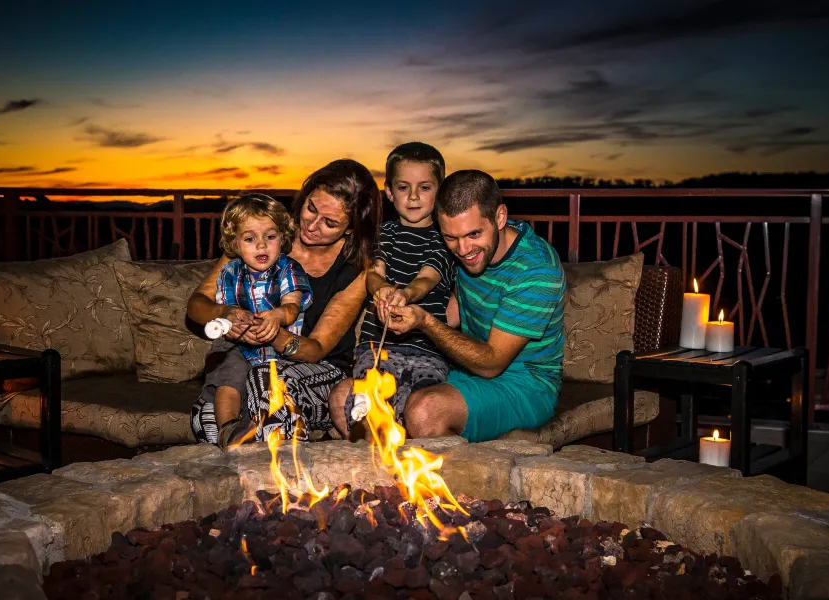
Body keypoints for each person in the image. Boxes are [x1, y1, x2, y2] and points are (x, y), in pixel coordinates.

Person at [188, 159, 381, 446]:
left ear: (351, 229)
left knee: (266, 379)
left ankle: (287, 481)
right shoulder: (263, 232)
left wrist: (274, 334)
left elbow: (315, 350)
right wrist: (226, 314)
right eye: (311, 208)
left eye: (330, 223)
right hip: (246, 360)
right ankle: (254, 466)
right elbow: (197, 305)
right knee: (207, 422)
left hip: (317, 373)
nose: (312, 226)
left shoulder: (355, 268)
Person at [386, 169, 566, 442]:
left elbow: (491, 363)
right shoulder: (468, 248)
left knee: (426, 411)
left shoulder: (537, 269)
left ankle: (452, 484)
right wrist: (403, 315)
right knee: (369, 400)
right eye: (451, 238)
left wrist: (425, 322)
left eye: (473, 234)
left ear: (500, 217)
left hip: (526, 383)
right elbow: (460, 303)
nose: (463, 249)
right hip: (466, 369)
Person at [328, 142, 455, 437]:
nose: (413, 197)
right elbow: (374, 273)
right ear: (389, 192)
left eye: (424, 187)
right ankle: (373, 459)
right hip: (378, 347)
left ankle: (409, 465)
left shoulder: (445, 236)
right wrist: (382, 289)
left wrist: (406, 294)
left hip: (428, 350)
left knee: (419, 406)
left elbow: (428, 278)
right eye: (403, 187)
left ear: (439, 192)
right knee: (359, 399)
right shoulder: (384, 233)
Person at [207, 194, 313, 433]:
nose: (262, 245)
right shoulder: (229, 273)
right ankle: (229, 432)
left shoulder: (289, 268)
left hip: (281, 354)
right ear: (235, 244)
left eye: (270, 236)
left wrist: (277, 316)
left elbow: (293, 306)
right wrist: (232, 326)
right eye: (250, 238)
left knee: (274, 387)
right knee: (229, 382)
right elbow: (228, 313)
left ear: (283, 238)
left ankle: (276, 429)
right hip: (241, 348)